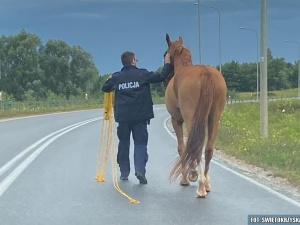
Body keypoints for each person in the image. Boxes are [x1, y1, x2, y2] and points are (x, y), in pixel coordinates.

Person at [102, 51, 171, 184]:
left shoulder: (117, 77)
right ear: (133, 61)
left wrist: (109, 79)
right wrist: (167, 63)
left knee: (123, 144)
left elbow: (105, 88)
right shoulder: (142, 74)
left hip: (123, 118)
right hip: (140, 117)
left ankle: (124, 172)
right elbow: (162, 76)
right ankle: (140, 170)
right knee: (140, 144)